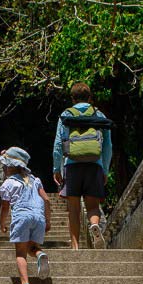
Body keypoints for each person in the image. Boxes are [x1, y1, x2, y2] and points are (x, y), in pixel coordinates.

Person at [52, 82, 112, 249]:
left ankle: (75, 246)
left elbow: (58, 145)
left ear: (73, 98)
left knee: (73, 209)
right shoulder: (99, 114)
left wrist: (57, 169)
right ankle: (94, 225)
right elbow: (108, 146)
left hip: (72, 165)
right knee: (93, 206)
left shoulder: (66, 115)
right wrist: (104, 170)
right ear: (90, 97)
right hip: (94, 164)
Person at [0, 147, 52, 284]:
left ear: (10, 167)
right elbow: (46, 200)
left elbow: (5, 207)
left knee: (20, 253)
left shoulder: (8, 184)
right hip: (38, 217)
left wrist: (2, 223)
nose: (3, 168)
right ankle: (40, 254)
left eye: (5, 166)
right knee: (31, 247)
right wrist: (47, 220)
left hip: (22, 216)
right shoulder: (35, 180)